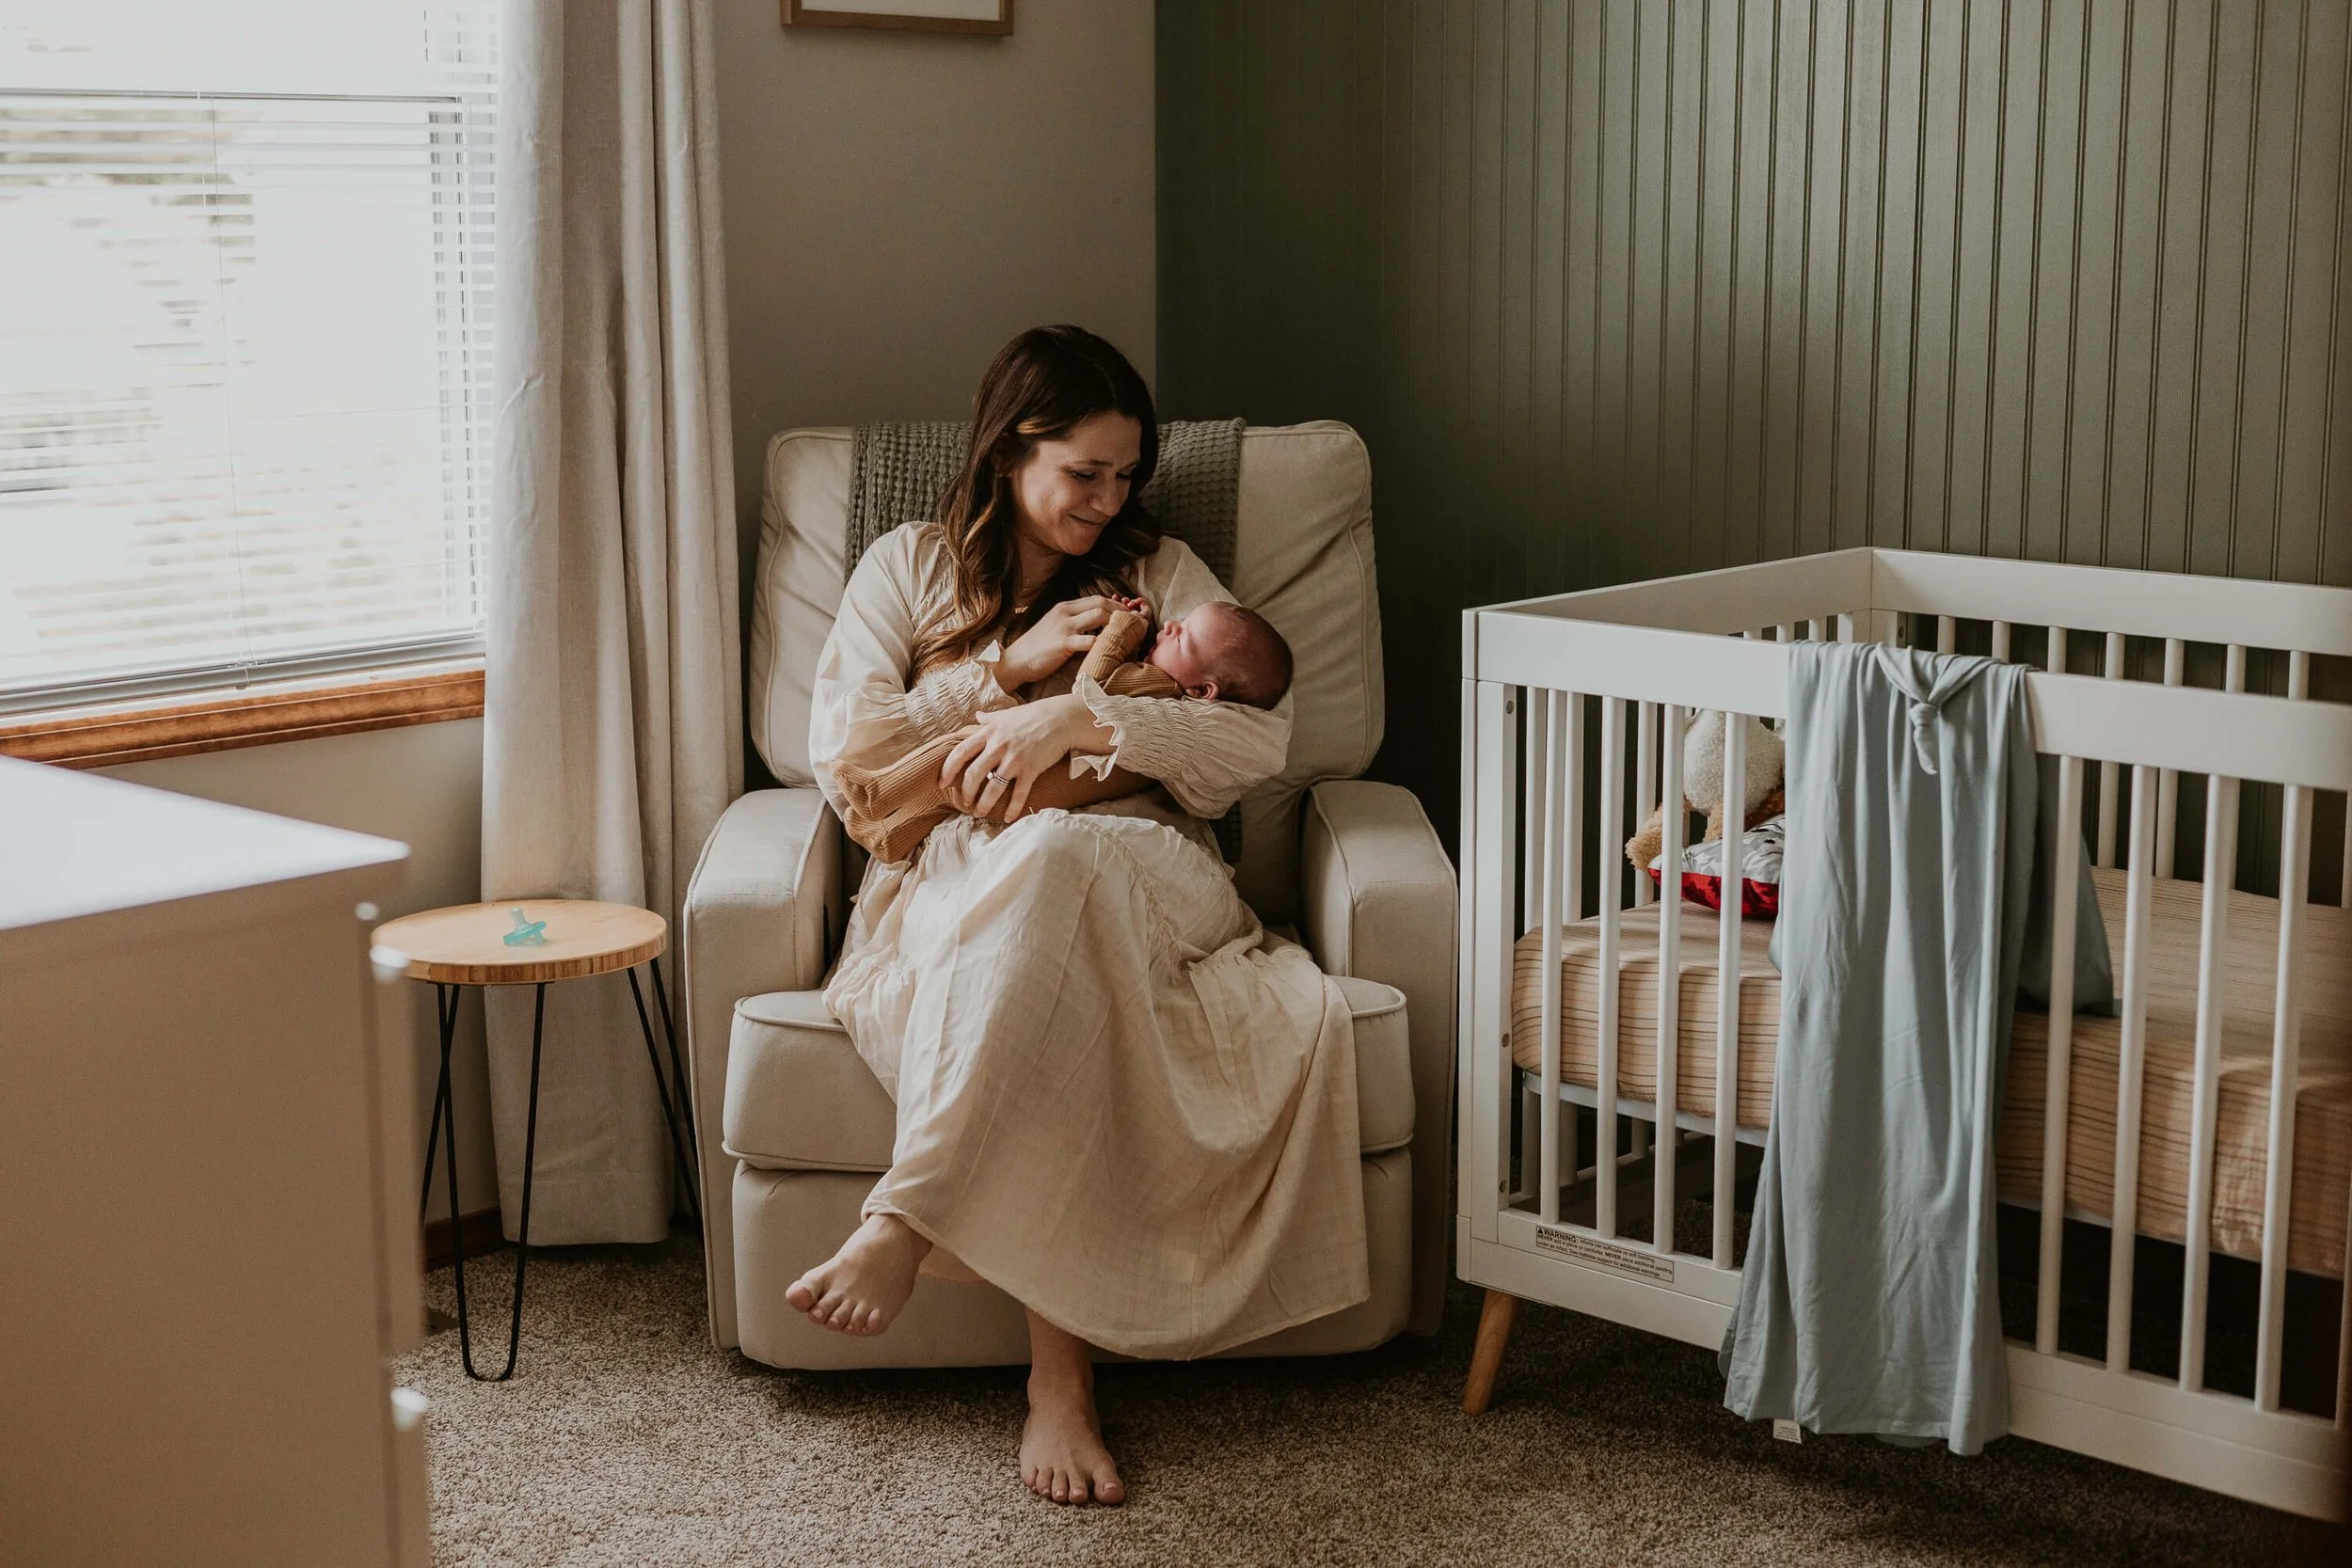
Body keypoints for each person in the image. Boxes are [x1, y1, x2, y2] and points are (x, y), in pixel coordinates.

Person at [792, 325, 1367, 1508]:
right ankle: (1060, 1380)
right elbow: (846, 758)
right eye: (1083, 473)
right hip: (953, 874)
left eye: (1126, 475)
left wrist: (1078, 723)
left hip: (1151, 865)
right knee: (1041, 888)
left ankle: (908, 1214)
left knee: (1059, 849)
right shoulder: (906, 567)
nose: (1108, 502)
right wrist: (999, 674)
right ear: (1011, 452)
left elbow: (1260, 735)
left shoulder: (1163, 573)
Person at [828, 596, 1295, 863]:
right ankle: (894, 831)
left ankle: (879, 791)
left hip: (1052, 789)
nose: (1169, 625)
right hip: (1046, 798)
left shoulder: (1153, 683)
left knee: (963, 752)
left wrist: (1124, 630)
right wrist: (1010, 667)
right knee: (956, 791)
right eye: (1083, 473)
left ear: (1202, 692)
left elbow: (1090, 684)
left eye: (1184, 636)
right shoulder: (1172, 699)